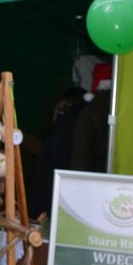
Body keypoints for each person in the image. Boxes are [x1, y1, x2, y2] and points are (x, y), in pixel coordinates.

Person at [28, 86, 88, 218]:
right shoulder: (85, 129)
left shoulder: (63, 130)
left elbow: (50, 173)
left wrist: (37, 212)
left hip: (51, 210)